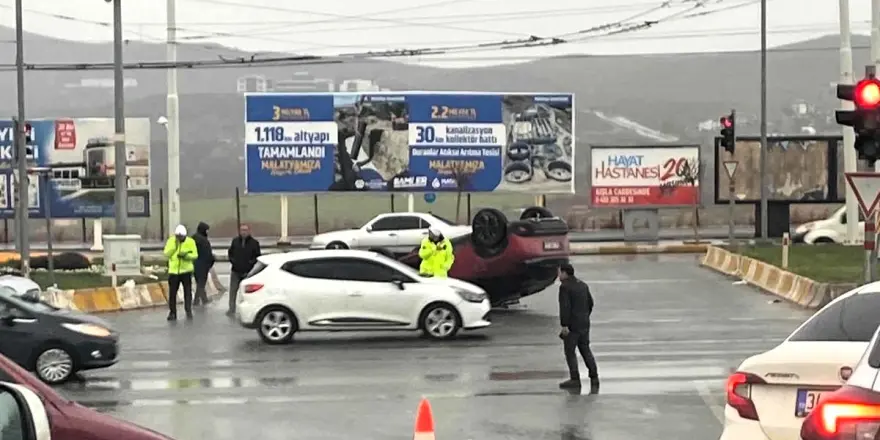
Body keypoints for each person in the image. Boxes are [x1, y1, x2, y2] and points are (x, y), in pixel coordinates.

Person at [557, 263, 599, 393]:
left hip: (572, 325)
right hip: (584, 323)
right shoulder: (582, 285)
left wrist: (564, 325)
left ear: (565, 273)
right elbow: (590, 303)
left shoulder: (565, 287)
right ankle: (594, 377)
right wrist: (584, 316)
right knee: (585, 349)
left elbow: (565, 307)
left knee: (570, 352)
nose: (558, 275)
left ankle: (575, 379)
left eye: (559, 272)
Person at [163, 224, 198, 321]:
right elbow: (166, 254)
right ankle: (172, 312)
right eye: (178, 237)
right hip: (174, 272)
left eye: (181, 237)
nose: (179, 238)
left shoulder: (190, 242)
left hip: (186, 271)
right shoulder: (171, 241)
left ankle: (188, 310)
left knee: (188, 292)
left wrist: (185, 256)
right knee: (172, 293)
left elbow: (195, 255)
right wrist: (175, 246)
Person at [227, 224, 261, 317]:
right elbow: (230, 253)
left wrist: (250, 264)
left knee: (247, 292)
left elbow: (257, 256)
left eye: (245, 230)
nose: (243, 232)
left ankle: (249, 309)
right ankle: (231, 309)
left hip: (248, 272)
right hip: (236, 271)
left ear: (249, 231)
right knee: (233, 291)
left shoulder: (254, 243)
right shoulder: (235, 241)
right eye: (242, 230)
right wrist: (233, 262)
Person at [191, 221, 216, 306]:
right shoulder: (204, 240)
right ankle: (196, 300)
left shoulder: (192, 238)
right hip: (202, 265)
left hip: (194, 264)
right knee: (201, 283)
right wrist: (211, 262)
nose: (207, 232)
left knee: (199, 282)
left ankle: (204, 299)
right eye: (207, 230)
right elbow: (207, 254)